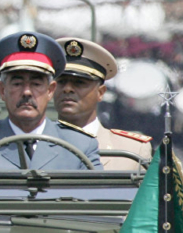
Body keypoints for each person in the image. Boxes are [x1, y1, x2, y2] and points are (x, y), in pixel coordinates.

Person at [0, 31, 103, 170]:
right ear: (2, 90)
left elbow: (97, 190)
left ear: (50, 91)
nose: (26, 92)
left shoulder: (80, 146)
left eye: (36, 84)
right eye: (17, 84)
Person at [54, 37, 152, 170]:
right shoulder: (34, 144)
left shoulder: (132, 151)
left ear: (100, 92)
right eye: (61, 81)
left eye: (79, 83)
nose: (67, 89)